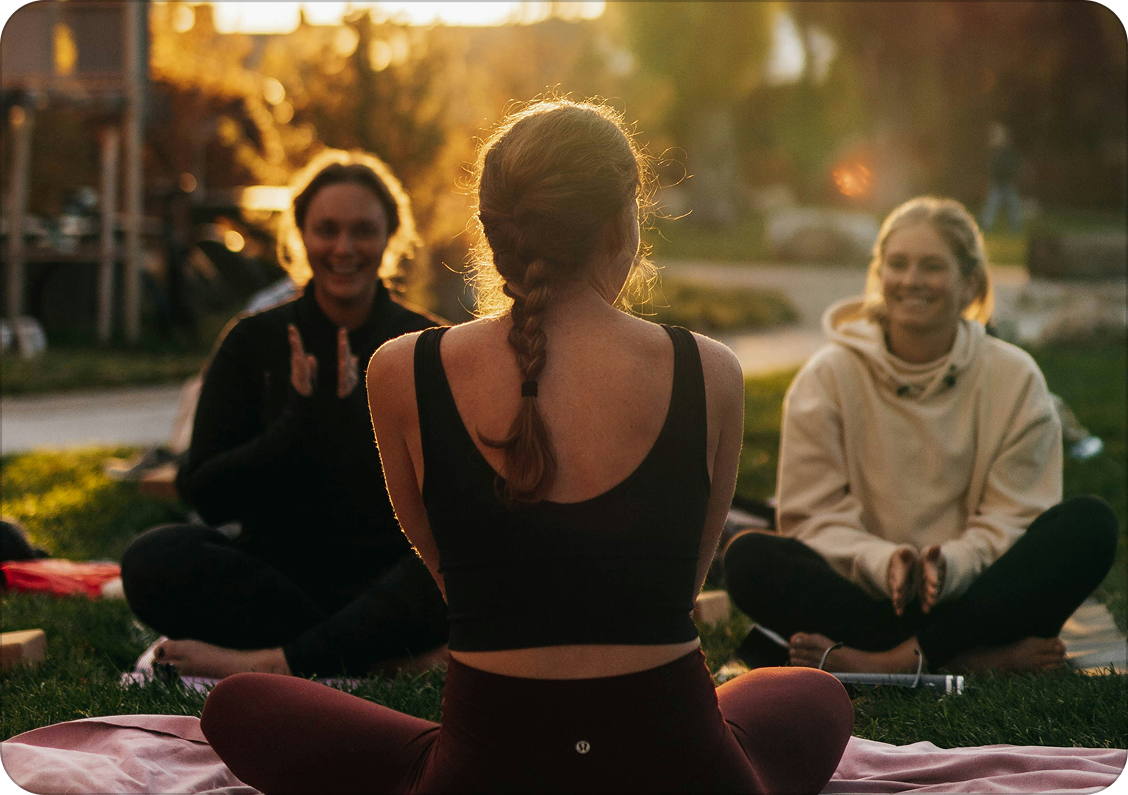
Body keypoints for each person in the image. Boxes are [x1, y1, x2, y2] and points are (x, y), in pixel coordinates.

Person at [198, 98, 854, 793]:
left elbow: (455, 578)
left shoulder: (399, 370)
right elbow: (681, 589)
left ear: (491, 230)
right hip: (684, 767)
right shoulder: (709, 370)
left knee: (238, 704)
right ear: (621, 224)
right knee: (814, 694)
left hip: (486, 769)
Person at [724, 196, 1117, 676]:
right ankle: (971, 657)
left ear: (969, 282)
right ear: (879, 274)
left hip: (980, 586)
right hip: (866, 591)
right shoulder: (826, 378)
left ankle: (893, 660)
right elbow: (813, 515)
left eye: (932, 266)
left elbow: (1016, 514)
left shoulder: (1015, 377)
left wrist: (951, 565)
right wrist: (883, 563)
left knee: (1089, 524)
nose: (911, 280)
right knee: (749, 557)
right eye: (898, 264)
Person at [120, 150, 449, 679]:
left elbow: (452, 504)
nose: (344, 248)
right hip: (279, 579)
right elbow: (202, 490)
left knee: (462, 565)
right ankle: (376, 657)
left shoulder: (428, 346)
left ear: (391, 236)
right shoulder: (252, 342)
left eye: (363, 230)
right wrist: (296, 425)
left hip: (387, 575)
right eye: (327, 230)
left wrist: (351, 422)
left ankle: (281, 661)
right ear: (300, 235)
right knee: (151, 559)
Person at [980, 123, 1024, 233]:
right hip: (998, 182)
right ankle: (986, 225)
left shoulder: (1009, 150)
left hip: (1008, 181)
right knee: (992, 204)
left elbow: (1016, 164)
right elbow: (991, 166)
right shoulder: (994, 151)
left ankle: (1015, 226)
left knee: (1013, 205)